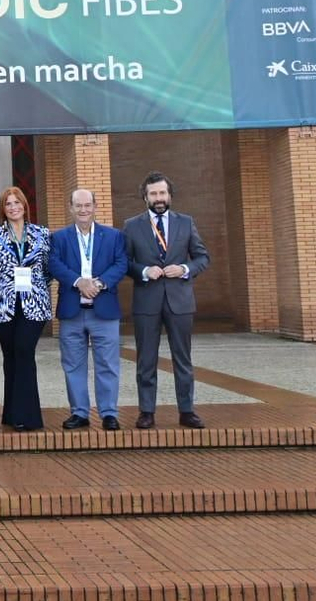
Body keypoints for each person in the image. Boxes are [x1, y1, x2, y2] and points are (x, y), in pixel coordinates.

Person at [122, 172, 210, 430]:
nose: (158, 198)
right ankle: (147, 412)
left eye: (162, 193)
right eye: (153, 194)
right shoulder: (132, 225)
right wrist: (143, 271)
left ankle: (187, 411)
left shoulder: (186, 222)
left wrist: (184, 269)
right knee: (146, 360)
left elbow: (202, 258)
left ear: (169, 195)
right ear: (145, 197)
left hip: (179, 301)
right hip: (146, 301)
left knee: (182, 359)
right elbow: (124, 262)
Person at [48, 188, 127, 431]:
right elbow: (54, 264)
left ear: (95, 207)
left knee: (108, 364)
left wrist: (99, 283)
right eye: (78, 205)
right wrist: (78, 282)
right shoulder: (59, 238)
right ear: (70, 208)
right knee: (73, 365)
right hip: (72, 310)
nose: (83, 210)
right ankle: (79, 412)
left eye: (87, 205)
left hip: (104, 310)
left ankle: (109, 413)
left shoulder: (113, 236)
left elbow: (121, 263)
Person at [0, 186, 52, 431]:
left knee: (24, 350)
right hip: (3, 305)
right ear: (2, 209)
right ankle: (11, 414)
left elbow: (48, 270)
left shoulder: (42, 233)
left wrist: (34, 286)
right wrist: (3, 286)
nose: (13, 207)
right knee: (10, 356)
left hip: (34, 304)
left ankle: (27, 415)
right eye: (8, 203)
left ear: (25, 205)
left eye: (17, 202)